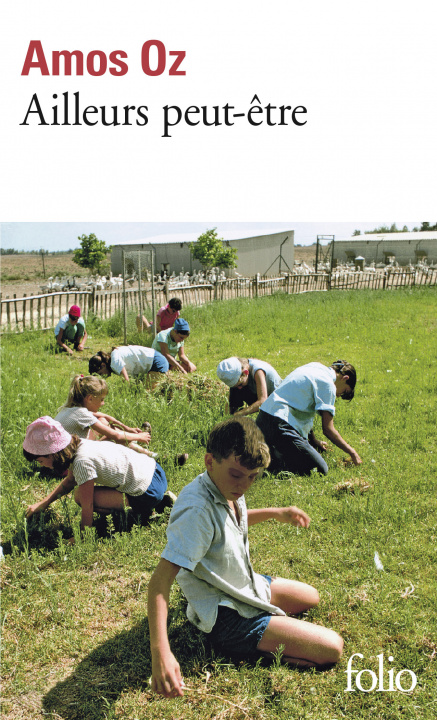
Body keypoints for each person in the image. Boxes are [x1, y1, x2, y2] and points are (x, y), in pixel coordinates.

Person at [148, 416, 343, 698]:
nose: (244, 485)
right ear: (209, 461)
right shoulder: (196, 513)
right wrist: (161, 652)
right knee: (331, 648)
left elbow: (231, 522)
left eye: (253, 477)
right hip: (226, 614)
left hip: (243, 582)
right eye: (237, 475)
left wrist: (276, 513)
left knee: (311, 596)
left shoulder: (226, 485)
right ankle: (243, 645)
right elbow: (159, 583)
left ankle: (268, 625)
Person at [23, 416, 175, 529]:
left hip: (147, 491)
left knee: (79, 497)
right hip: (155, 471)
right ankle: (162, 501)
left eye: (40, 461)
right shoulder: (80, 444)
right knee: (82, 493)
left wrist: (83, 535)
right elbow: (70, 481)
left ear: (52, 454)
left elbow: (87, 504)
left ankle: (144, 513)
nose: (42, 466)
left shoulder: (82, 462)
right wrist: (44, 503)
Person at [256, 360, 363, 476]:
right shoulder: (328, 385)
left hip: (263, 419)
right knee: (320, 469)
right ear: (345, 378)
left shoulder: (315, 367)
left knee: (299, 452)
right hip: (279, 424)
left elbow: (303, 412)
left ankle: (272, 454)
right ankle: (275, 465)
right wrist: (353, 453)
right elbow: (328, 429)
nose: (339, 395)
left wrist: (314, 441)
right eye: (344, 392)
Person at [54, 374, 154, 456]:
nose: (103, 403)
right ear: (90, 398)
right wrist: (139, 436)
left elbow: (105, 417)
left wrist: (127, 429)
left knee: (103, 421)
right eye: (101, 399)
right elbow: (117, 436)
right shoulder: (81, 414)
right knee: (112, 435)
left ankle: (133, 442)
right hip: (67, 463)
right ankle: (148, 454)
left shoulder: (71, 408)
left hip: (62, 455)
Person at [217, 356, 282, 416]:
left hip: (275, 400)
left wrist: (238, 414)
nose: (239, 387)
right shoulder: (240, 367)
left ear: (246, 372)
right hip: (254, 390)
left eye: (240, 384)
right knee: (235, 390)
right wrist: (227, 416)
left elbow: (263, 401)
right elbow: (230, 400)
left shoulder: (258, 371)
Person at [88, 345, 169, 384]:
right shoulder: (114, 357)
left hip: (157, 363)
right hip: (156, 360)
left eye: (101, 374)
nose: (103, 377)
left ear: (103, 365)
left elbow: (127, 381)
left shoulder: (114, 363)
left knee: (147, 395)